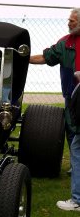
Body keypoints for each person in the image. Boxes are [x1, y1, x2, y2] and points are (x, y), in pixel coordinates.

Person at [30, 8, 80, 149]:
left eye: (72, 21)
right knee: (72, 129)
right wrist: (25, 59)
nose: (68, 23)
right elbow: (46, 57)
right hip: (73, 96)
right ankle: (74, 165)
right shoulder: (65, 43)